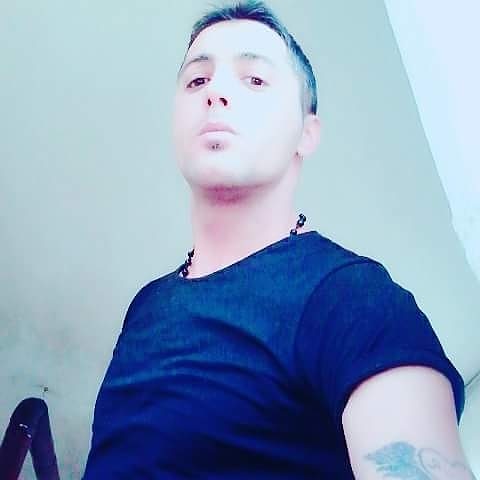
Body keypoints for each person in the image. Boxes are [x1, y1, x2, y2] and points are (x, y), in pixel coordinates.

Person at [82, 1, 474, 478]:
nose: (216, 92)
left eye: (254, 79)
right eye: (197, 80)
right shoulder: (148, 304)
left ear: (307, 133)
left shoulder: (354, 298)